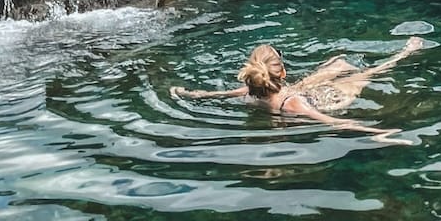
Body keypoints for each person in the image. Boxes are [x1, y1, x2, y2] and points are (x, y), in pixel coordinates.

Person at [171, 37, 425, 142]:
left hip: (294, 93)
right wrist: (378, 133)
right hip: (323, 101)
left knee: (333, 67)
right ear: (281, 72)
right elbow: (334, 122)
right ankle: (405, 53)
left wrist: (189, 93)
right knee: (367, 73)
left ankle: (334, 65)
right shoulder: (293, 104)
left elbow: (216, 95)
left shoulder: (250, 91)